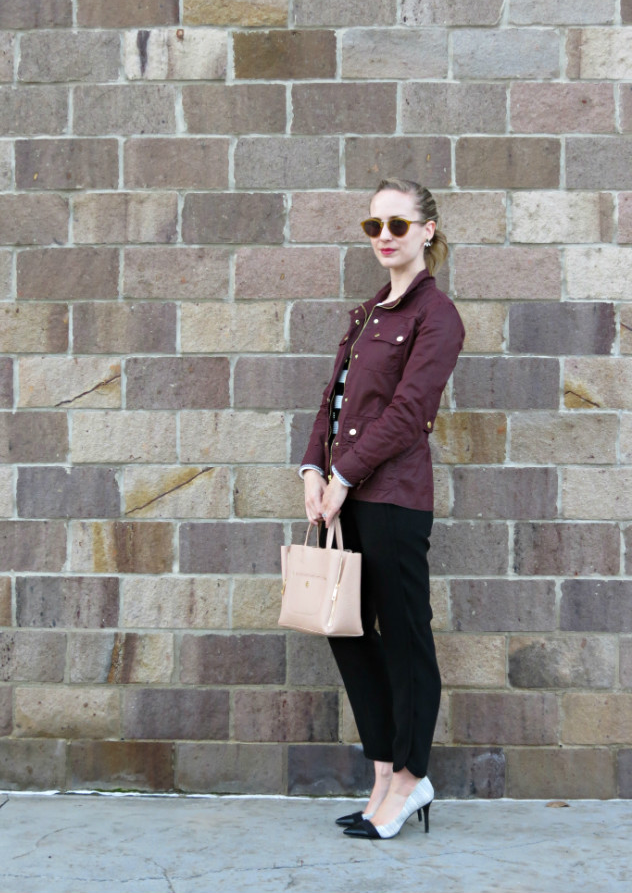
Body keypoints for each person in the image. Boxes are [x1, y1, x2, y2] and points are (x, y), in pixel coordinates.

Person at [299, 178, 465, 840]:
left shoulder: (438, 315)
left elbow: (407, 414)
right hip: (342, 500)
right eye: (375, 226)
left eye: (399, 223)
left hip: (392, 500)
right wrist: (312, 466)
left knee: (404, 639)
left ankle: (411, 776)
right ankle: (381, 772)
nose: (386, 236)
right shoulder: (369, 311)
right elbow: (334, 397)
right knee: (345, 633)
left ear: (428, 230)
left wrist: (343, 471)